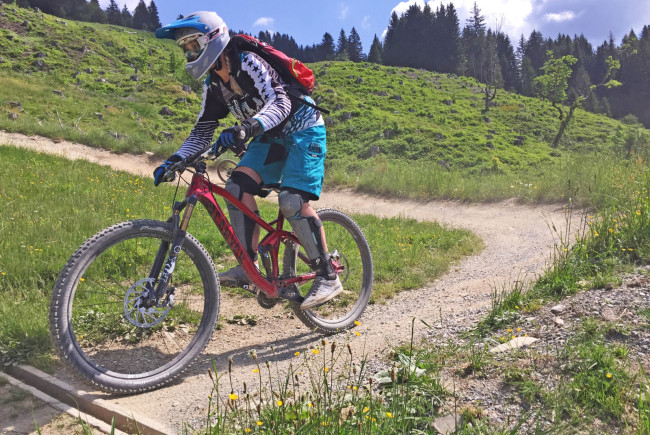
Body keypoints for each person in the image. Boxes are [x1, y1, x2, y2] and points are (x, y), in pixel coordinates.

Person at [154, 11, 342, 309]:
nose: (189, 53)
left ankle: (328, 274)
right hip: (270, 136)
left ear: (212, 39)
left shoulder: (250, 63)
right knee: (236, 188)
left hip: (304, 129)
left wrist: (247, 128)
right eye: (185, 48)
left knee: (291, 201)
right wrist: (174, 160)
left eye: (193, 45)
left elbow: (280, 101)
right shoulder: (214, 86)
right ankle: (248, 267)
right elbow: (202, 130)